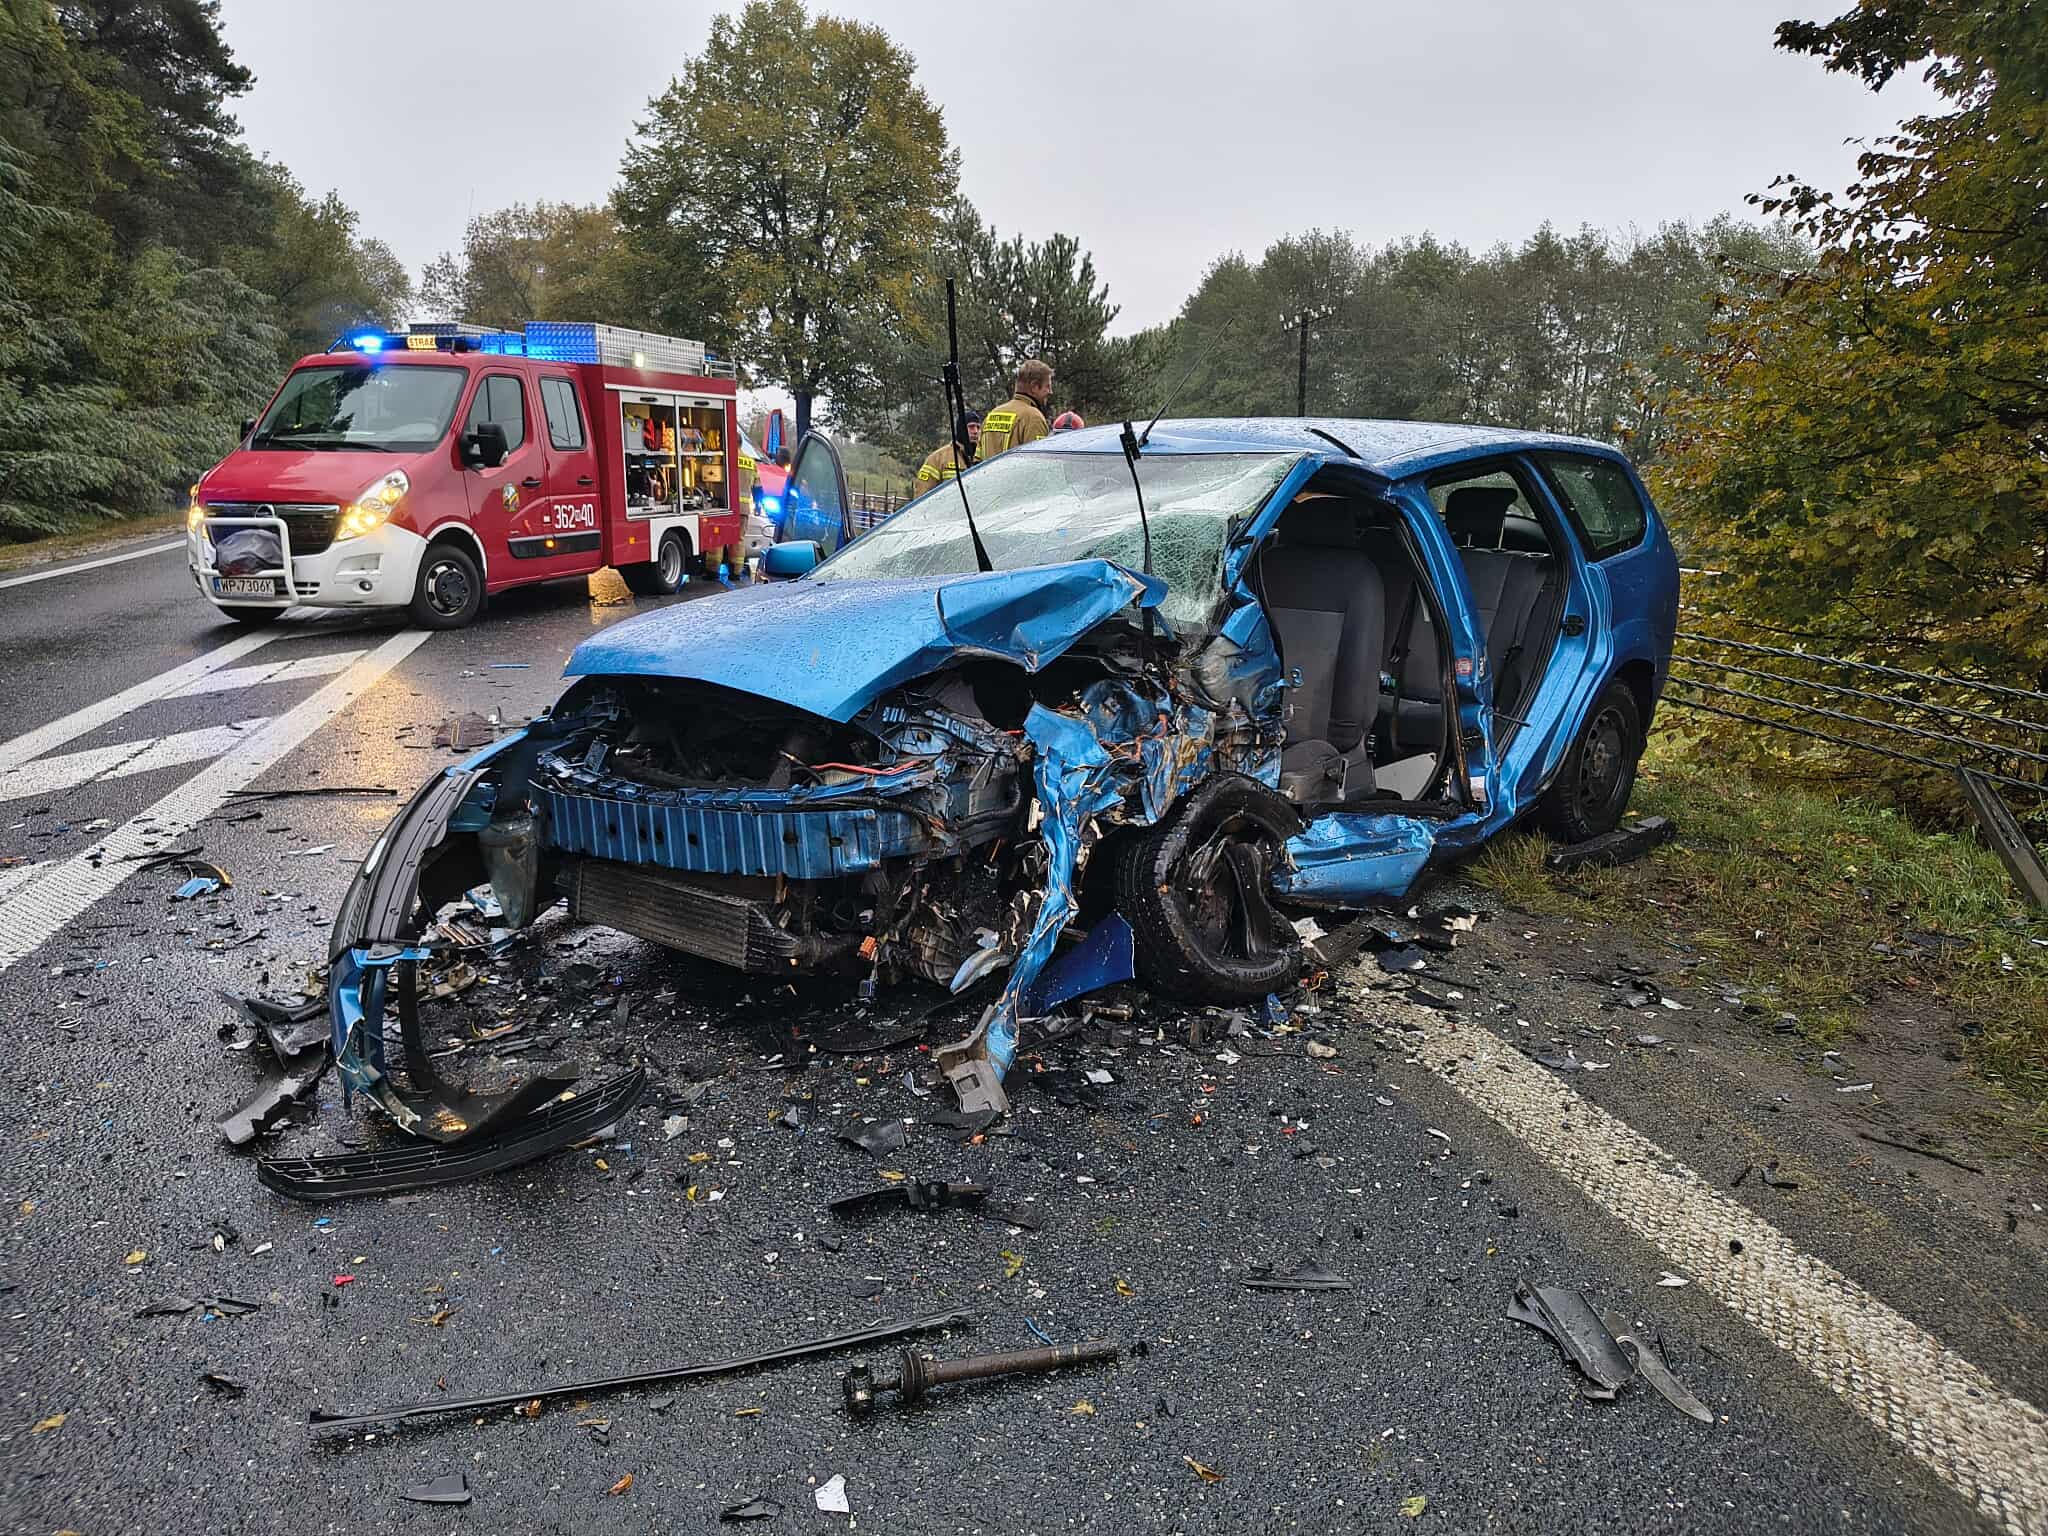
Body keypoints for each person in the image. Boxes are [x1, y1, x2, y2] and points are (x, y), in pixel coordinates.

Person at [979, 359, 1053, 459]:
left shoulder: (992, 415)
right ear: (1034, 386)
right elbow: (1038, 463)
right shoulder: (1033, 418)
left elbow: (977, 460)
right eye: (1047, 386)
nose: (1050, 392)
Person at [915, 412, 982, 496]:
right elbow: (922, 493)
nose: (975, 431)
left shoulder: (983, 457)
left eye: (978, 427)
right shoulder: (938, 458)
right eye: (971, 427)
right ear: (961, 429)